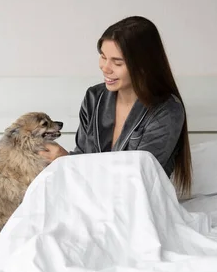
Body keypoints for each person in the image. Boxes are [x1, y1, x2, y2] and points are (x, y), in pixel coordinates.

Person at [38, 16, 192, 198]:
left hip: (137, 205)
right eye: (103, 57)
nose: (105, 68)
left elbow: (138, 179)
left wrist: (66, 161)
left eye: (117, 63)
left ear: (143, 66)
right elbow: (82, 156)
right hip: (88, 198)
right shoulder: (94, 98)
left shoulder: (166, 111)